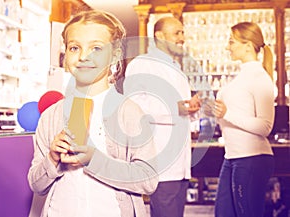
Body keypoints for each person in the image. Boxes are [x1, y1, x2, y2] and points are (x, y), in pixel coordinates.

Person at [28, 10, 158, 217]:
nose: (83, 56)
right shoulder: (51, 116)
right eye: (74, 47)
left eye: (96, 48)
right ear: (65, 53)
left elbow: (148, 180)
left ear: (115, 54)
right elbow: (36, 184)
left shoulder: (130, 113)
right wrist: (52, 159)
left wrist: (94, 160)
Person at [124, 16, 201, 217]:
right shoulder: (142, 64)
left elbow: (181, 110)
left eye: (183, 32)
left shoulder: (177, 69)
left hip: (181, 164)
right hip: (160, 160)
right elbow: (133, 107)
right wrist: (177, 109)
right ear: (159, 35)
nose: (182, 37)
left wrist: (192, 108)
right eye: (177, 32)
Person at [212, 22, 275, 217]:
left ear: (248, 46)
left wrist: (226, 114)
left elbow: (266, 126)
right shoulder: (242, 77)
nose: (227, 47)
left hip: (251, 159)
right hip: (232, 157)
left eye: (231, 42)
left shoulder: (259, 77)